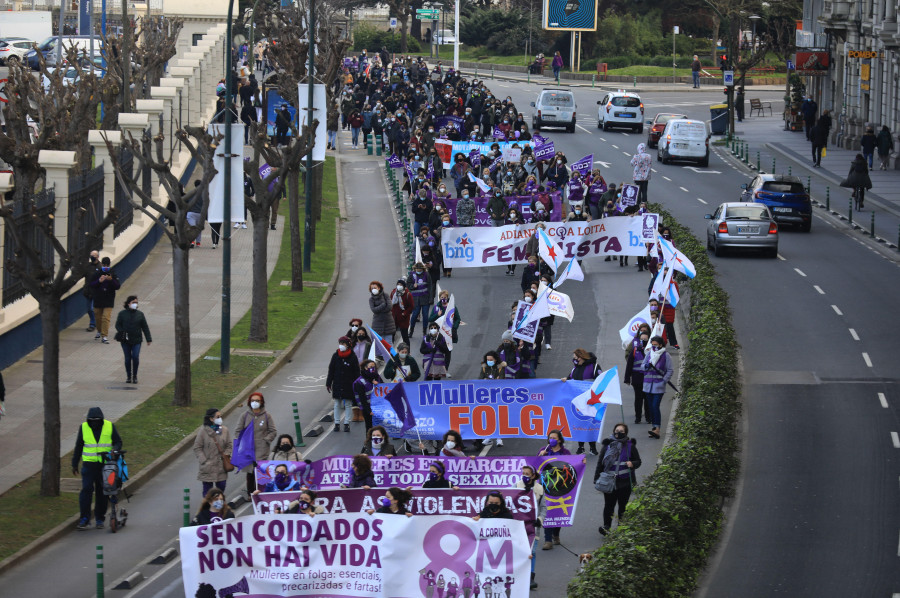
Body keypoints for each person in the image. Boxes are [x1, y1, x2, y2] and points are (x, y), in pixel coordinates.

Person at [72, 407, 123, 530]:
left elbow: (118, 441)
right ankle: (85, 518)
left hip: (105, 465)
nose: (94, 423)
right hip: (89, 466)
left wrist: (114, 450)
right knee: (86, 490)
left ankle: (100, 518)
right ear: (89, 420)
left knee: (102, 492)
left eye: (97, 420)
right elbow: (79, 446)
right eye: (92, 420)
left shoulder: (109, 426)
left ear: (101, 420)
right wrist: (74, 463)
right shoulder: (84, 427)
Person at [595, 423, 641, 535]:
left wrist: (632, 463)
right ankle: (607, 526)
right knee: (609, 505)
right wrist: (597, 479)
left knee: (623, 506)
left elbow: (638, 461)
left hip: (625, 482)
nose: (618, 433)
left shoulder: (630, 446)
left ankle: (622, 527)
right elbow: (600, 463)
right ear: (613, 431)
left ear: (626, 433)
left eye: (621, 431)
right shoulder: (607, 446)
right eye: (617, 430)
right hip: (609, 481)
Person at [234, 392, 278, 495]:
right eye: (253, 400)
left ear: (261, 402)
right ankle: (251, 493)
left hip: (262, 449)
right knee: (250, 473)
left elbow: (273, 431)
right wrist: (242, 442)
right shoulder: (244, 416)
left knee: (260, 471)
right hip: (248, 449)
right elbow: (237, 431)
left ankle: (262, 492)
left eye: (257, 401)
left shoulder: (267, 416)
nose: (255, 403)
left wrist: (266, 440)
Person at [562, 349, 601, 455]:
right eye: (574, 358)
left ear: (582, 357)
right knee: (579, 423)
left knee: (590, 424)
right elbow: (570, 378)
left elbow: (600, 381)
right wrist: (565, 379)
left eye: (576, 357)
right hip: (578, 401)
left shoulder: (594, 367)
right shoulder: (575, 368)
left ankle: (592, 447)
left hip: (591, 401)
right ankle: (581, 447)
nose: (574, 359)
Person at [537, 429, 570, 549]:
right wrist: (540, 457)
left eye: (555, 438)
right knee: (547, 510)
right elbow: (536, 465)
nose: (552, 440)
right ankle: (547, 540)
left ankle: (556, 534)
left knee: (557, 511)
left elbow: (572, 465)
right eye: (550, 437)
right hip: (546, 486)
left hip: (560, 486)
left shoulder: (565, 452)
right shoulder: (544, 450)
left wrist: (582, 461)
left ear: (560, 440)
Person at [516, 465, 545, 589]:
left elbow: (543, 507)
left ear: (533, 476)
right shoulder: (516, 486)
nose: (524, 476)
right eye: (523, 473)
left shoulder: (539, 489)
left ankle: (530, 577)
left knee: (532, 551)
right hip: (519, 526)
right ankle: (519, 575)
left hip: (533, 526)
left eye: (527, 474)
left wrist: (540, 519)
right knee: (520, 551)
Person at [114, 295, 152, 384]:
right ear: (128, 303)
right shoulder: (122, 314)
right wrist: (122, 331)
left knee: (135, 357)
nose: (135, 304)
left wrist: (148, 338)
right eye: (133, 302)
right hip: (125, 340)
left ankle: (135, 376)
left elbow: (145, 327)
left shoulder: (140, 314)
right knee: (127, 358)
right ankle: (128, 376)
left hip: (137, 340)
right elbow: (117, 325)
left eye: (136, 302)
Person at [642, 336, 674, 439]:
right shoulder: (649, 354)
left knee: (655, 406)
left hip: (658, 386)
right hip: (648, 385)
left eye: (656, 344)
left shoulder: (666, 355)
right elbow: (642, 366)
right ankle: (654, 427)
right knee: (651, 407)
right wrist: (647, 366)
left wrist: (664, 381)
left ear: (660, 344)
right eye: (652, 344)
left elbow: (670, 370)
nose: (654, 346)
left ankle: (657, 428)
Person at [327, 336, 361, 432]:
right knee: (337, 404)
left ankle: (347, 423)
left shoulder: (353, 357)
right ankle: (337, 423)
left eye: (343, 344)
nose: (341, 346)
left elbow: (356, 372)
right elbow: (331, 370)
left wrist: (357, 384)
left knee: (348, 404)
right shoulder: (335, 355)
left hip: (348, 384)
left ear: (348, 345)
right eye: (340, 343)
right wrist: (328, 383)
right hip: (337, 383)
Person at [624, 325, 651, 424]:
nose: (643, 340)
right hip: (637, 378)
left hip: (648, 378)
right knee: (638, 398)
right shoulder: (635, 350)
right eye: (642, 338)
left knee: (647, 399)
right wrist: (627, 378)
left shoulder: (651, 350)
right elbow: (629, 364)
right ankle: (638, 417)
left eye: (645, 339)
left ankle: (648, 417)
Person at [89, 257, 120, 344]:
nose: (105, 267)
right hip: (98, 299)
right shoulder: (97, 274)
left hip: (108, 299)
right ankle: (99, 330)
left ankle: (104, 335)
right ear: (102, 264)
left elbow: (118, 286)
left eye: (107, 265)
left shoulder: (113, 274)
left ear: (109, 265)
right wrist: (99, 281)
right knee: (98, 318)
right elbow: (91, 284)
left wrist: (111, 280)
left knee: (106, 318)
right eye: (104, 265)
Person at [353, 359, 382, 430]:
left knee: (380, 428)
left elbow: (384, 389)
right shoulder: (359, 382)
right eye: (371, 366)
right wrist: (369, 411)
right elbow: (362, 398)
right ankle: (369, 440)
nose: (373, 368)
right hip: (368, 409)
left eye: (374, 366)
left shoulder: (377, 377)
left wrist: (379, 385)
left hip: (379, 407)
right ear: (365, 368)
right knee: (370, 427)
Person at [407, 262, 433, 337]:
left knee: (425, 315)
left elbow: (430, 286)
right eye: (417, 269)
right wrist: (412, 286)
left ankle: (424, 331)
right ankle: (411, 330)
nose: (418, 270)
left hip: (425, 298)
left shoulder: (426, 274)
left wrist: (431, 298)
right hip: (415, 298)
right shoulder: (412, 275)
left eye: (420, 269)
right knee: (414, 315)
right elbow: (408, 284)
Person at [391, 279, 414, 346]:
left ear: (404, 286)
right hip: (394, 318)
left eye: (401, 285)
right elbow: (390, 303)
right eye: (398, 284)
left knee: (405, 337)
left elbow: (411, 306)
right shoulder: (393, 293)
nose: (399, 286)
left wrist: (404, 313)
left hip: (403, 319)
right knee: (391, 336)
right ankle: (390, 353)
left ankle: (408, 352)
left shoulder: (408, 294)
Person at [83, 250, 100, 332]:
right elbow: (82, 274)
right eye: (91, 255)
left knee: (92, 308)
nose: (92, 257)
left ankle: (92, 324)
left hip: (96, 291)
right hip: (88, 291)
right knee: (89, 309)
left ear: (98, 257)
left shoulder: (100, 267)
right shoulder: (88, 266)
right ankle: (95, 322)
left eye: (94, 255)